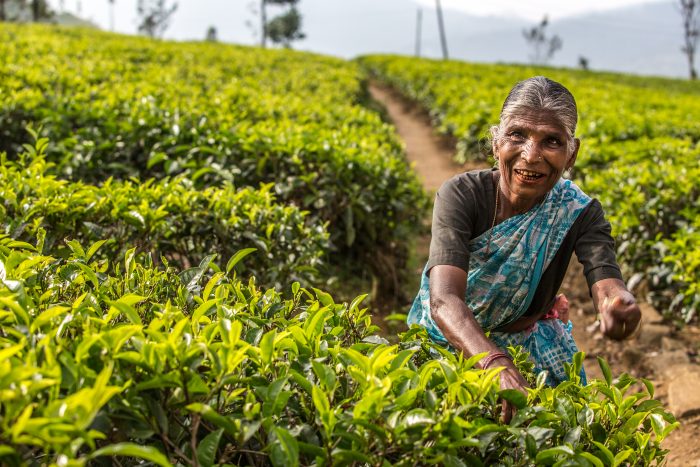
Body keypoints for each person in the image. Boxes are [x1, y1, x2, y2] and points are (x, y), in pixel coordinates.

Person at [407, 76, 641, 420]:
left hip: (530, 351)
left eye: (551, 141)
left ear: (572, 153)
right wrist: (493, 361)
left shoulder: (578, 211)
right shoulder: (462, 195)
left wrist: (618, 305)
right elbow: (445, 299)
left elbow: (606, 281)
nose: (531, 156)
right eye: (517, 135)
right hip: (450, 340)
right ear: (496, 141)